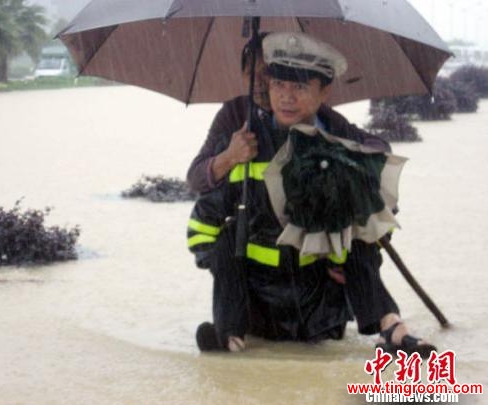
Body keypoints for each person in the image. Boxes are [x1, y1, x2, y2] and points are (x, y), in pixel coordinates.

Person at [187, 32, 436, 357]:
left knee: (362, 239)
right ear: (247, 78)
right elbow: (200, 202)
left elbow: (378, 177)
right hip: (257, 299)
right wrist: (224, 268)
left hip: (320, 299)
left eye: (300, 87)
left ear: (323, 94)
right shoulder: (236, 128)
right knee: (228, 239)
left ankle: (391, 326)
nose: (282, 95)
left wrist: (349, 164)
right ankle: (228, 335)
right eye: (275, 83)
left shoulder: (334, 132)